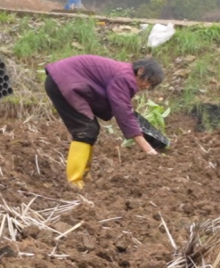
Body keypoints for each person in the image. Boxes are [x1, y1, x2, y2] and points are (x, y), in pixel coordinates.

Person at [45, 55, 163, 188]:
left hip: (63, 80)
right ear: (141, 71)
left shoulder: (123, 73)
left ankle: (83, 175)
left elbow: (119, 104)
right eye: (148, 81)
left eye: (151, 85)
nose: (147, 86)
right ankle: (74, 181)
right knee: (85, 130)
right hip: (63, 81)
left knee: (90, 129)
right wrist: (147, 149)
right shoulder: (125, 77)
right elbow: (123, 112)